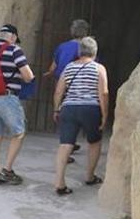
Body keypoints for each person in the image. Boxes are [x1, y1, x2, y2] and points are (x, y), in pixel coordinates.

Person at [0, 24, 35, 185]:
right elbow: (28, 76)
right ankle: (7, 170)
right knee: (18, 133)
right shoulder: (14, 50)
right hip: (7, 97)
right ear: (13, 37)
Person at [52, 37, 109, 196]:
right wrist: (105, 115)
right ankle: (90, 176)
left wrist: (56, 109)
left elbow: (58, 91)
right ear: (95, 52)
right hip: (90, 108)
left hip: (69, 108)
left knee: (65, 145)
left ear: (79, 52)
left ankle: (59, 182)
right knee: (94, 142)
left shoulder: (69, 67)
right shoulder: (99, 68)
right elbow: (103, 93)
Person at [44, 19, 90, 160]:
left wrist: (49, 73)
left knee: (64, 114)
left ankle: (69, 142)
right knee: (75, 115)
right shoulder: (87, 48)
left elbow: (53, 67)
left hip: (62, 82)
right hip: (79, 85)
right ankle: (67, 147)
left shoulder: (62, 47)